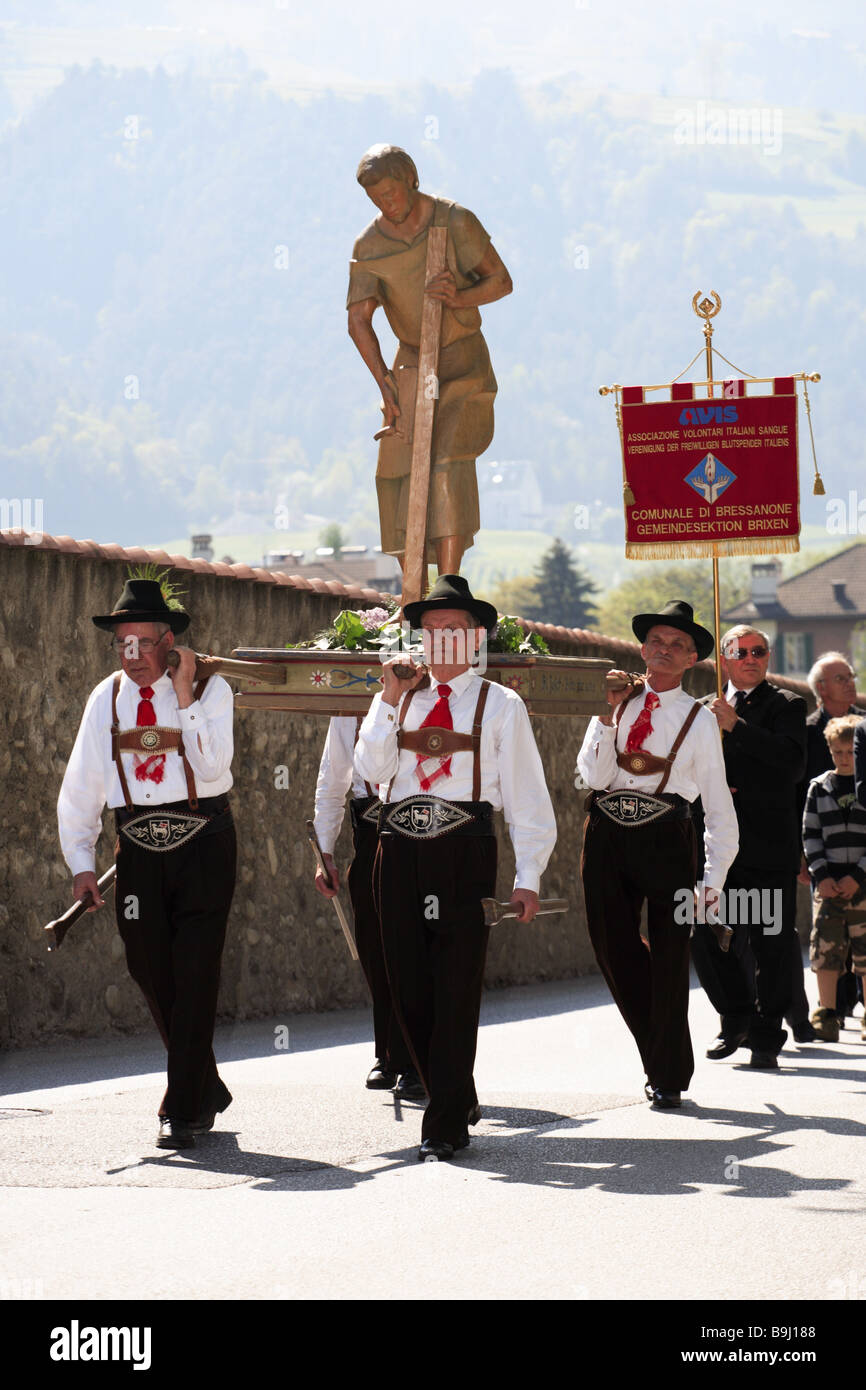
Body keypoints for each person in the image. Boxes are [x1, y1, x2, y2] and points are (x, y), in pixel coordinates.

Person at [355, 574, 556, 1161]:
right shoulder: (396, 697)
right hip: (398, 848)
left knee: (456, 982)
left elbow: (526, 794)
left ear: (475, 640)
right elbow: (370, 767)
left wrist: (528, 877)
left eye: (454, 629)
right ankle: (453, 1088)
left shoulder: (501, 704)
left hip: (464, 850)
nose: (440, 638)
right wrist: (388, 698)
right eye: (430, 629)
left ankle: (443, 1122)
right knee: (406, 982)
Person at [57, 579, 236, 1150]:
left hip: (204, 840)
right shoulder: (104, 698)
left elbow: (211, 768)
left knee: (195, 970)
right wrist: (82, 862)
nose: (132, 657)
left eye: (142, 644)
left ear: (169, 643)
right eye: (122, 645)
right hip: (136, 845)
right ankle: (203, 1083)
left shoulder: (212, 689)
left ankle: (182, 1108)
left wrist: (183, 696)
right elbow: (81, 783)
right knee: (147, 965)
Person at [576, 600, 738, 1109]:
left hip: (668, 837)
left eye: (678, 646)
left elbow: (717, 804)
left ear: (692, 660)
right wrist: (606, 718)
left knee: (670, 956)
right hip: (606, 831)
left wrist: (714, 877)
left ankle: (666, 1072)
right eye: (657, 643)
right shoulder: (613, 702)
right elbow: (591, 777)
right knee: (610, 942)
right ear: (643, 649)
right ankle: (660, 1046)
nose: (664, 652)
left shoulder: (700, 719)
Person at [347, 144, 512, 575]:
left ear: (410, 180)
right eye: (376, 198)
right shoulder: (369, 246)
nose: (387, 204)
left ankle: (450, 584)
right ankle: (411, 588)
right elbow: (358, 320)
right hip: (412, 364)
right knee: (394, 470)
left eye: (391, 193)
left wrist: (459, 296)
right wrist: (385, 383)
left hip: (462, 362)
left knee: (444, 462)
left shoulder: (455, 221)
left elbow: (501, 281)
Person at [691, 625, 807, 1069]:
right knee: (704, 931)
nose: (751, 658)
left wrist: (736, 727)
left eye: (759, 651)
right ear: (724, 659)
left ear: (769, 656)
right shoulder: (703, 710)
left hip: (767, 847)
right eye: (741, 652)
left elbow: (792, 763)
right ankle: (735, 1013)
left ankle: (765, 1035)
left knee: (771, 944)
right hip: (716, 847)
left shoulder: (787, 706)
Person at [312, 715, 421, 1095]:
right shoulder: (346, 709)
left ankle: (415, 1059)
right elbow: (333, 782)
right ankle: (389, 1052)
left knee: (410, 946)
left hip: (418, 829)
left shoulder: (422, 695)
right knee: (375, 949)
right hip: (369, 832)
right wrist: (324, 851)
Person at [799, 652, 866, 1027]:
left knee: (862, 940)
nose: (851, 681)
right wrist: (808, 861)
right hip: (824, 857)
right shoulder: (809, 731)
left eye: (851, 675)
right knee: (827, 939)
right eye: (842, 677)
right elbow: (801, 801)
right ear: (821, 688)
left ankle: (855, 1004)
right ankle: (831, 1010)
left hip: (861, 869)